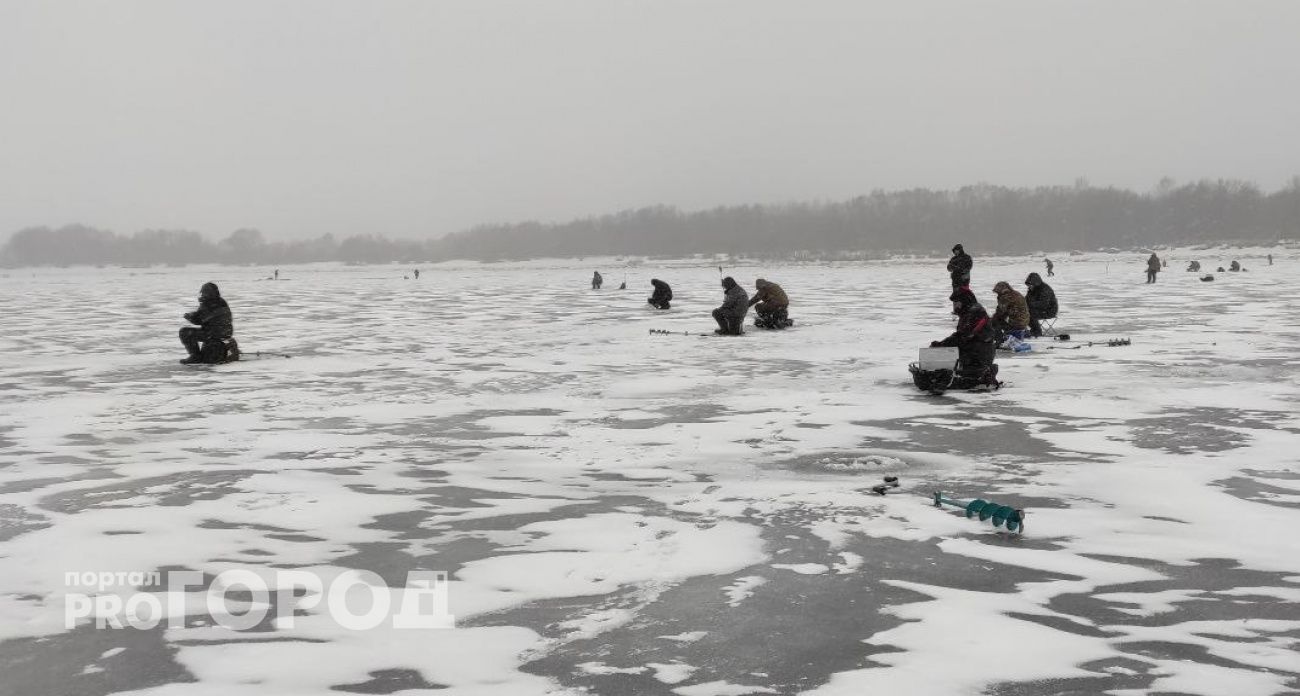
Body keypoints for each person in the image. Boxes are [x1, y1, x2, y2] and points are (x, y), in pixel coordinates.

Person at [931, 287, 999, 389]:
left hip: (980, 352)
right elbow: (962, 335)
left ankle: (984, 374)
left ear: (964, 301)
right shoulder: (968, 312)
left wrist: (942, 344)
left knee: (968, 380)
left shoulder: (975, 312)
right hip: (974, 349)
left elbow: (964, 335)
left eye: (957, 302)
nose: (955, 306)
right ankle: (981, 373)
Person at [180, 282, 237, 364]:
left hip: (215, 333)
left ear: (208, 293)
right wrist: (194, 315)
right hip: (224, 333)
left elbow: (200, 320)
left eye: (203, 292)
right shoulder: (220, 302)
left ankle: (195, 356)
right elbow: (205, 316)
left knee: (184, 332)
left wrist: (190, 317)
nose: (202, 294)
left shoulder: (209, 303)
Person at [1024, 273, 1058, 338]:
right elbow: (1027, 299)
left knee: (1030, 313)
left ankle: (1037, 331)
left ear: (1036, 283)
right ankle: (1030, 329)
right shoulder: (1031, 290)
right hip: (1037, 309)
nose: (1029, 287)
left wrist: (1030, 304)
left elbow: (1044, 304)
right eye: (1028, 285)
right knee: (1024, 312)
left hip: (1049, 310)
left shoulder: (1045, 289)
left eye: (1030, 285)